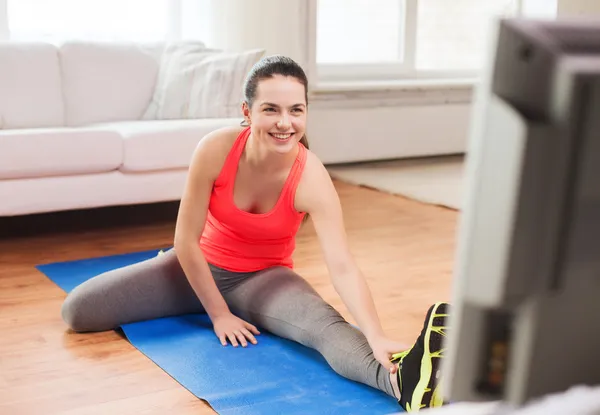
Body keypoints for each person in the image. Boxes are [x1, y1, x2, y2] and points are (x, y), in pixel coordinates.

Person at [60, 55, 450, 412]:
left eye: (296, 110)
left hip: (264, 280)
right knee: (79, 310)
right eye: (271, 109)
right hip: (192, 269)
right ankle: (199, 302)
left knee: (323, 328)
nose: (285, 122)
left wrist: (376, 333)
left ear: (306, 112)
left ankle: (407, 384)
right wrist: (218, 314)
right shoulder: (215, 149)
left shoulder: (312, 177)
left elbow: (342, 265)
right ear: (247, 112)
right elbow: (185, 241)